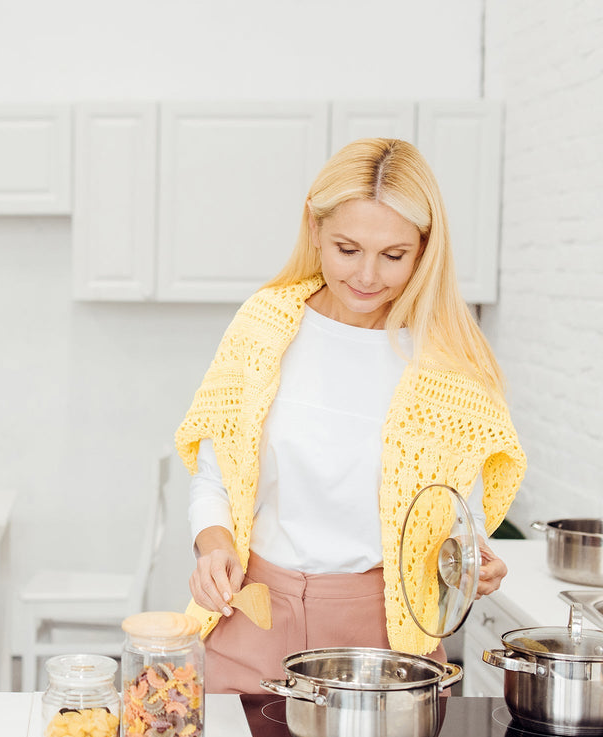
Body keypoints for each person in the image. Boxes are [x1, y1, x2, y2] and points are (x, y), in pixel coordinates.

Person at [174, 138, 526, 694]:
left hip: (385, 645)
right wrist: (214, 546)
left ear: (424, 250)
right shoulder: (262, 329)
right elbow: (214, 479)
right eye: (347, 248)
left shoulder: (452, 367)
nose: (367, 275)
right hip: (252, 618)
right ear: (315, 231)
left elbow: (464, 523)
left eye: (393, 255)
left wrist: (473, 569)